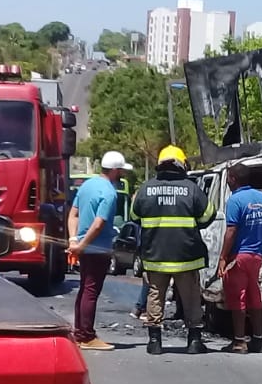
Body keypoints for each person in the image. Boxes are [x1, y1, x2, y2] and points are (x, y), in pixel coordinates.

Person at [132, 145, 215, 355]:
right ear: (181, 164)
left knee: (155, 296)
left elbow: (134, 217)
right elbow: (208, 215)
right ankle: (194, 342)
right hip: (186, 256)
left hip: (155, 256)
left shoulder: (145, 189)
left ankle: (154, 342)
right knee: (191, 298)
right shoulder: (191, 188)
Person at [67, 151, 132, 351]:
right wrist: (83, 244)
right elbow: (99, 223)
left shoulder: (87, 186)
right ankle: (86, 336)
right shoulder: (109, 192)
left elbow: (73, 214)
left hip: (84, 246)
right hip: (98, 247)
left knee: (85, 288)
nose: (122, 173)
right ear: (114, 170)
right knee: (91, 290)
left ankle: (80, 332)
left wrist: (74, 240)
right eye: (120, 170)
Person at [217, 162, 262, 354]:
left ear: (233, 179)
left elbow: (231, 231)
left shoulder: (235, 200)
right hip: (256, 256)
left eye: (229, 178)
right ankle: (258, 340)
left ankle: (239, 341)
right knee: (254, 297)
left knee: (237, 298)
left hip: (238, 257)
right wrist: (259, 248)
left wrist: (223, 258)